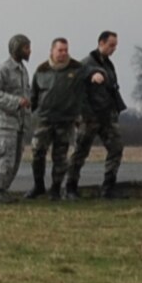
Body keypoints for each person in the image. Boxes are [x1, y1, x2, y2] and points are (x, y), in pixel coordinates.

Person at [66, 30, 126, 199]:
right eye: (111, 45)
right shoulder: (86, 63)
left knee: (116, 148)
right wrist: (84, 114)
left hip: (107, 116)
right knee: (80, 152)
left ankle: (108, 188)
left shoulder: (108, 64)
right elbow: (77, 90)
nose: (114, 49)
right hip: (89, 117)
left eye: (115, 46)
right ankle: (71, 187)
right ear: (101, 43)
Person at [27, 37, 87, 201]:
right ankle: (38, 186)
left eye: (66, 50)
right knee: (37, 152)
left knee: (60, 157)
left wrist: (79, 114)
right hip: (45, 119)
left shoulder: (76, 69)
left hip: (66, 119)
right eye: (60, 50)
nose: (63, 53)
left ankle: (55, 189)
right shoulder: (42, 69)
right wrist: (30, 112)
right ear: (52, 51)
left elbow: (84, 91)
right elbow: (34, 95)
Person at [0, 34, 35, 202]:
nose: (29, 51)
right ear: (17, 49)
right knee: (5, 157)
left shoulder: (23, 72)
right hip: (4, 122)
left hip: (20, 123)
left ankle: (3, 190)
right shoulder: (1, 70)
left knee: (15, 160)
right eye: (26, 48)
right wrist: (16, 101)